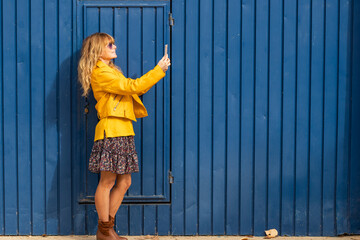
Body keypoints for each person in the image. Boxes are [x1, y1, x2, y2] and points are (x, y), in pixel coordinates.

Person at [78, 32, 171, 240]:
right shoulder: (101, 72)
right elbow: (132, 87)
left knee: (125, 182)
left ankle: (107, 228)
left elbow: (133, 90)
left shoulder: (111, 72)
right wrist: (159, 70)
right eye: (109, 44)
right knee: (107, 182)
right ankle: (105, 230)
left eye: (113, 43)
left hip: (123, 130)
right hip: (111, 131)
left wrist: (150, 78)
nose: (115, 46)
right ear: (97, 49)